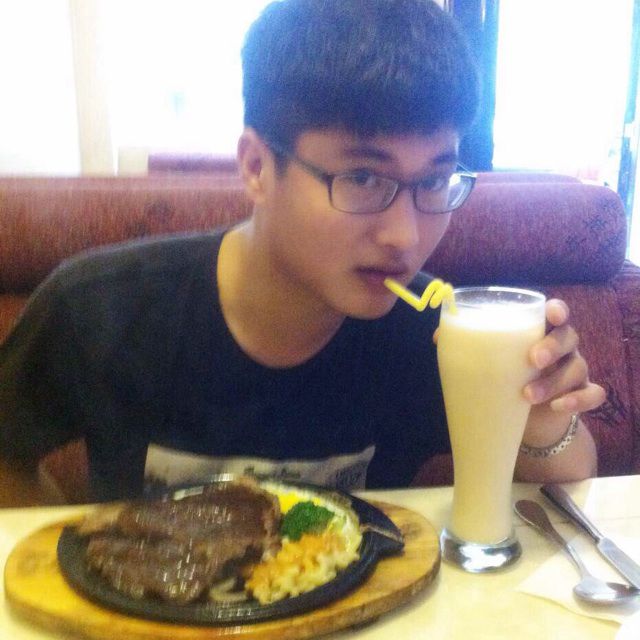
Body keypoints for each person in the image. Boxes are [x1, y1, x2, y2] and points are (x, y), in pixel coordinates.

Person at [0, 0, 604, 502]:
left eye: (433, 181)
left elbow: (569, 489)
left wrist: (542, 414)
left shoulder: (435, 331)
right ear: (257, 167)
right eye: (363, 178)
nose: (405, 236)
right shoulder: (99, 306)